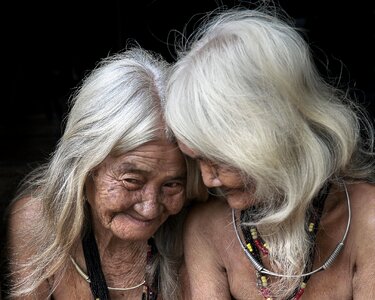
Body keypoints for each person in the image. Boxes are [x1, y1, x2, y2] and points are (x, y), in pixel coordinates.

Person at [164, 5, 375, 300]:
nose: (209, 179)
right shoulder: (207, 229)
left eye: (220, 158)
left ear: (274, 133)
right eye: (198, 158)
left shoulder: (366, 219)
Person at [2, 47, 204, 300]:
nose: (150, 208)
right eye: (132, 181)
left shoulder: (198, 229)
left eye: (172, 184)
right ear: (86, 166)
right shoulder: (37, 223)